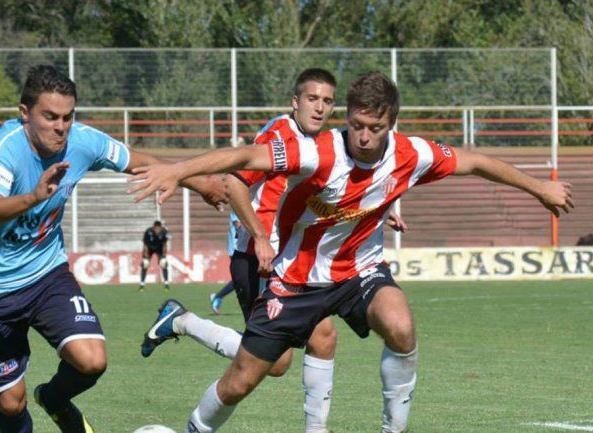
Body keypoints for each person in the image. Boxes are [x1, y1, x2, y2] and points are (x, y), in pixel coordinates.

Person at [129, 71, 574, 433]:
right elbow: (245, 159)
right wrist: (179, 169)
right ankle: (194, 428)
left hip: (359, 271)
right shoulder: (316, 152)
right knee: (244, 379)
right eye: (357, 125)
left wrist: (539, 189)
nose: (363, 136)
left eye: (374, 128)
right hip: (298, 280)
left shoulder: (412, 153)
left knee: (400, 325)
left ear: (391, 123)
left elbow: (474, 162)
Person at [0, 65, 225, 433]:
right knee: (10, 402)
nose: (60, 126)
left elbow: (140, 161)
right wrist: (33, 196)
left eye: (67, 117)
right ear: (24, 114)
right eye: (49, 116)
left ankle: (54, 398)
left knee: (92, 361)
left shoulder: (83, 141)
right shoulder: (6, 149)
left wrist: (199, 184)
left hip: (46, 274)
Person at [140, 68, 404, 433]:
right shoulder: (280, 132)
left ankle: (315, 428)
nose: (319, 107)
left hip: (289, 262)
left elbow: (334, 190)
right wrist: (260, 237)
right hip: (257, 258)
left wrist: (375, 211)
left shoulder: (327, 143)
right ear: (295, 102)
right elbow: (234, 183)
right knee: (279, 360)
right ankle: (183, 324)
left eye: (327, 101)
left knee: (317, 339)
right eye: (312, 99)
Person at [209, 211, 241, 314]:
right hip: (237, 249)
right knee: (239, 279)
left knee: (242, 279)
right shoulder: (236, 204)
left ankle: (218, 296)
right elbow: (239, 226)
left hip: (244, 248)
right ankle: (218, 296)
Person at [140, 220, 170, 291]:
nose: (157, 230)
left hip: (159, 248)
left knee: (164, 263)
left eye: (159, 228)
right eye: (156, 228)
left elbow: (165, 245)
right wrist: (146, 256)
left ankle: (166, 285)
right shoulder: (148, 232)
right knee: (145, 264)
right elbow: (145, 245)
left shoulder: (164, 232)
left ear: (161, 228)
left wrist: (163, 256)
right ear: (153, 228)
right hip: (149, 248)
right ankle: (142, 285)